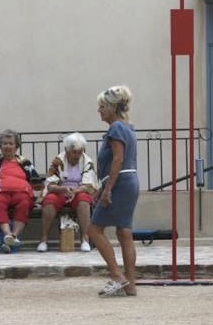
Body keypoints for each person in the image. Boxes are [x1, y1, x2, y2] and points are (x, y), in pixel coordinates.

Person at [88, 85, 140, 298]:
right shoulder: (127, 127)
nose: (99, 110)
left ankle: (117, 275)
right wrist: (103, 186)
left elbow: (117, 159)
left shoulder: (116, 128)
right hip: (129, 182)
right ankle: (130, 284)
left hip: (120, 184)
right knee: (124, 232)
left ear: (111, 108)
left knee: (93, 230)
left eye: (102, 107)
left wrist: (107, 189)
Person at [37, 132, 99, 252]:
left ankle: (85, 239)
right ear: (66, 150)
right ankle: (44, 240)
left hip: (78, 192)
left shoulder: (87, 162)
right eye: (74, 152)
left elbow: (89, 185)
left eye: (80, 152)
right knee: (49, 200)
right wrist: (63, 189)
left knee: (83, 200)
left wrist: (75, 191)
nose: (77, 156)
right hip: (60, 192)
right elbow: (50, 185)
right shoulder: (58, 161)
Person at [0, 129, 39, 253]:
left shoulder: (24, 162)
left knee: (25, 203)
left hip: (21, 193)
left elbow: (35, 179)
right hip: (0, 192)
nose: (7, 146)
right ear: (0, 146)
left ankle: (13, 236)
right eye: (4, 143)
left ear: (16, 146)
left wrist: (37, 195)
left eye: (10, 143)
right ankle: (8, 234)